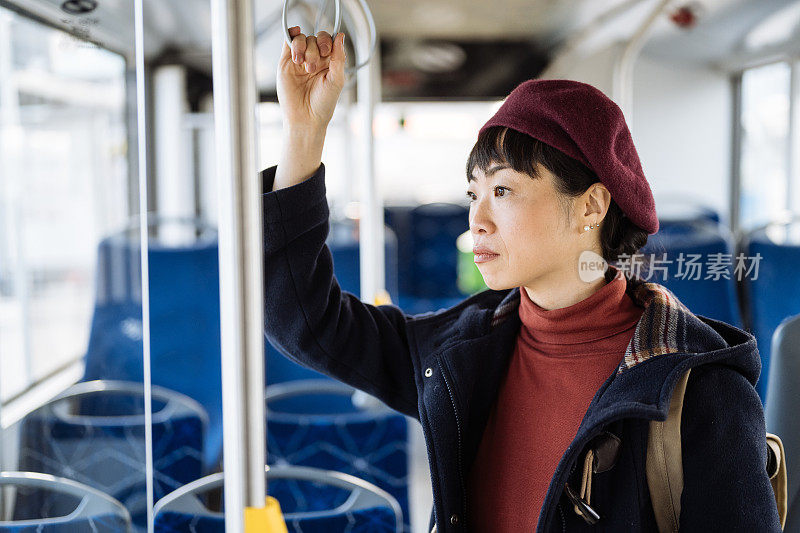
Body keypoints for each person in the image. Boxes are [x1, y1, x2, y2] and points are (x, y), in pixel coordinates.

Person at [262, 26, 781, 532]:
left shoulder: (700, 394)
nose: (477, 219)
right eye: (474, 194)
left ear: (591, 206)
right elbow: (306, 321)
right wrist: (304, 135)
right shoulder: (459, 351)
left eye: (504, 191)